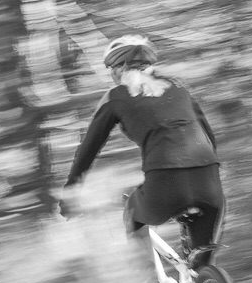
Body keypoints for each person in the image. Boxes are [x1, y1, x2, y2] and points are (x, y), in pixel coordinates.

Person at [59, 35, 224, 269]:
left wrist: (70, 195)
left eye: (111, 69)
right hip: (209, 181)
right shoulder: (178, 87)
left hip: (165, 183)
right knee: (203, 266)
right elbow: (209, 136)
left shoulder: (116, 97)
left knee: (133, 213)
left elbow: (88, 150)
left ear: (119, 68)